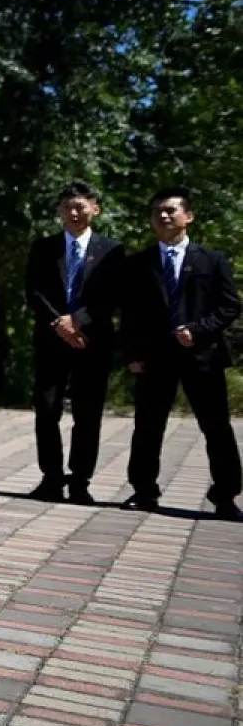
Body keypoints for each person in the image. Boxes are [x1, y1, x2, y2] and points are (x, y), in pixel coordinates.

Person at [121, 187, 242, 518]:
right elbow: (130, 313)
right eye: (157, 211)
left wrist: (199, 330)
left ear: (188, 216)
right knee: (148, 427)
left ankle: (225, 496)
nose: (163, 216)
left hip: (202, 356)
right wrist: (132, 353)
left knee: (216, 427)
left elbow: (229, 305)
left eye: (170, 210)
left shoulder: (212, 260)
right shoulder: (139, 263)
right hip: (154, 357)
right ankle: (143, 491)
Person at [23, 182, 126, 504]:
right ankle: (51, 479)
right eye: (67, 207)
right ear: (59, 211)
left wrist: (78, 320)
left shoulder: (112, 250)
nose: (74, 213)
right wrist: (61, 323)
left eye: (80, 206)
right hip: (51, 339)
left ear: (95, 209)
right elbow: (34, 291)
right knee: (46, 410)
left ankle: (80, 481)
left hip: (92, 341)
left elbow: (111, 295)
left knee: (87, 414)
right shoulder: (44, 248)